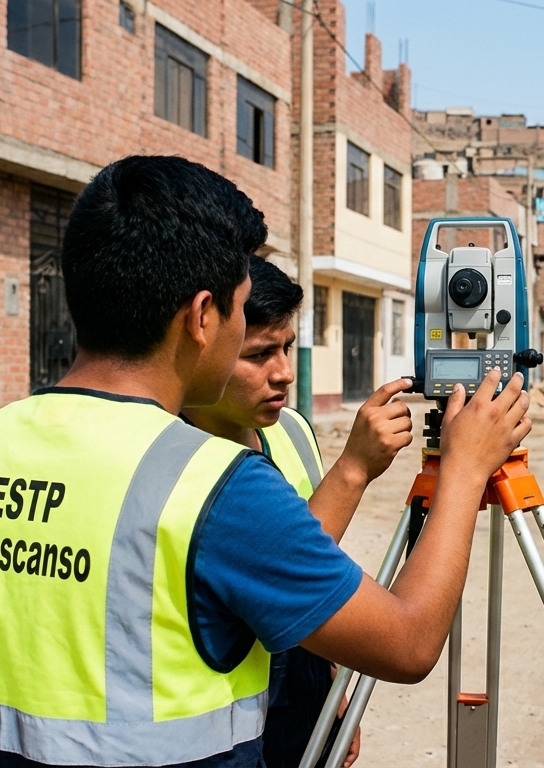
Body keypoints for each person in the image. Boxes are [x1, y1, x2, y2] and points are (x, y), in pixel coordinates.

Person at [0, 156, 531, 768]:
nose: (254, 341)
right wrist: (468, 468)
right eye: (245, 313)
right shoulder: (212, 487)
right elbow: (410, 643)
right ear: (202, 316)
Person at [183, 256, 415, 767]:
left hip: (302, 673)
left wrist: (330, 691)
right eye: (260, 353)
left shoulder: (290, 430)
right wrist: (353, 468)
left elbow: (312, 565)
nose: (284, 373)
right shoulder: (177, 456)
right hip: (235, 707)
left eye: (287, 347)